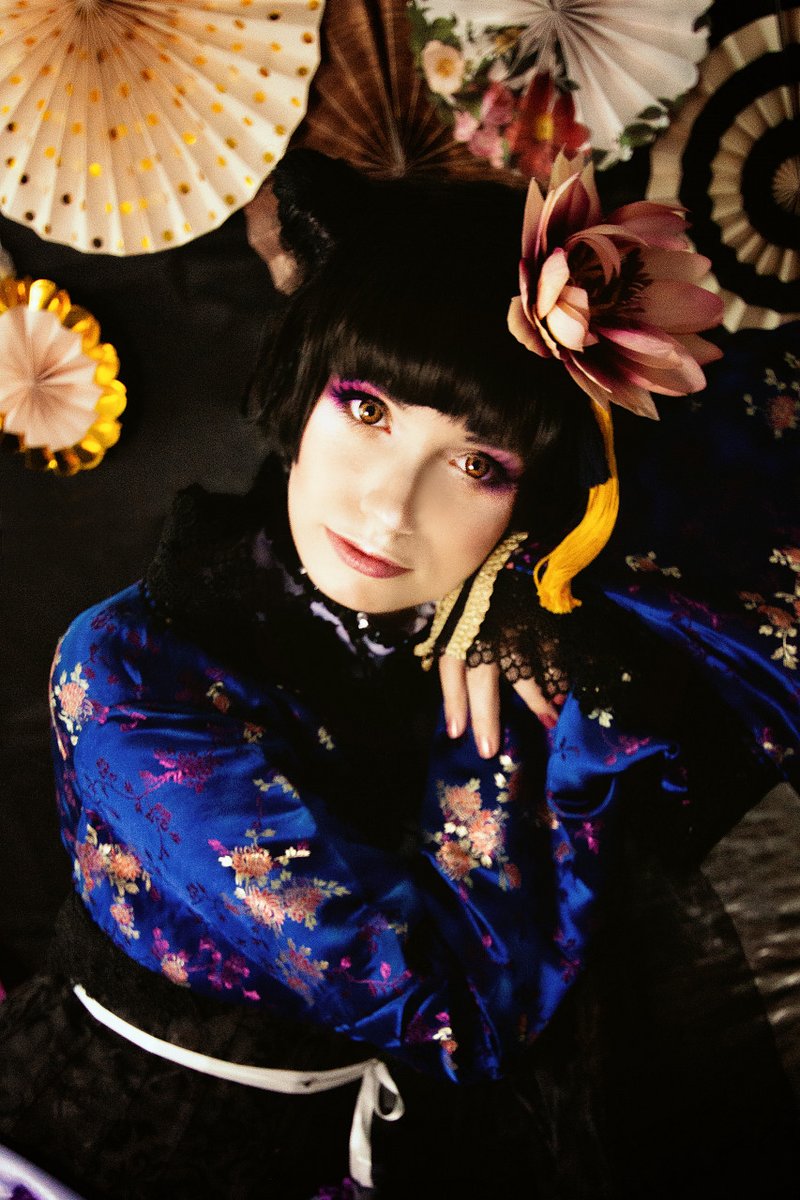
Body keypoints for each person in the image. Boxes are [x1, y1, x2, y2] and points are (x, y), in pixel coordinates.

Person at [0, 150, 798, 1200]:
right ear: (304, 388)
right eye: (368, 409)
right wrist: (505, 742)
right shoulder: (128, 674)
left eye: (477, 464)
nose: (388, 507)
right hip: (96, 1161)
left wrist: (534, 603)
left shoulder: (506, 630)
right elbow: (463, 1015)